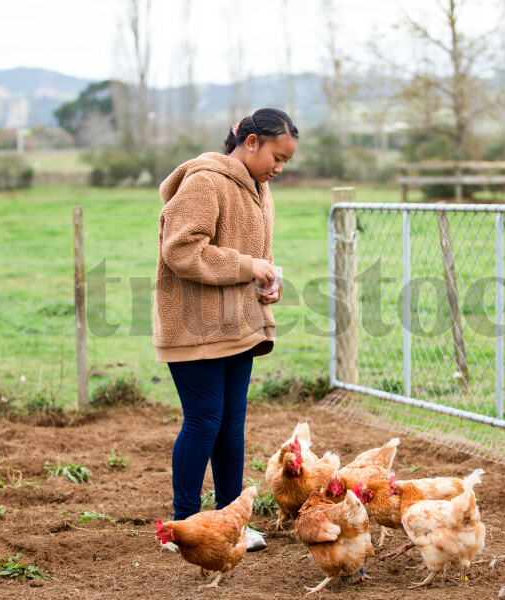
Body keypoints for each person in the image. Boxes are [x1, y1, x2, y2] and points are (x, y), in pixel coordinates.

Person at [152, 108, 298, 552]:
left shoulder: (260, 189)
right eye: (277, 156)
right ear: (250, 141)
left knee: (231, 426)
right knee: (203, 421)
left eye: (286, 161)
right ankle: (183, 526)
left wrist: (266, 279)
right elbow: (180, 249)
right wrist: (245, 266)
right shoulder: (204, 181)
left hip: (239, 323)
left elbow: (256, 255)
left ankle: (230, 521)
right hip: (194, 326)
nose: (279, 168)